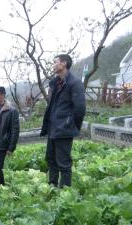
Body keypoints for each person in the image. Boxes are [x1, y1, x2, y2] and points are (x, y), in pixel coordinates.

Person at [40, 54, 86, 188]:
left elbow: (80, 109)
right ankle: (52, 188)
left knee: (64, 163)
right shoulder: (55, 83)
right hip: (53, 129)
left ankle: (65, 193)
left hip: (64, 130)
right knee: (51, 160)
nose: (53, 65)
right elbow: (52, 107)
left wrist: (71, 125)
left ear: (64, 64)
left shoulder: (74, 83)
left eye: (55, 62)